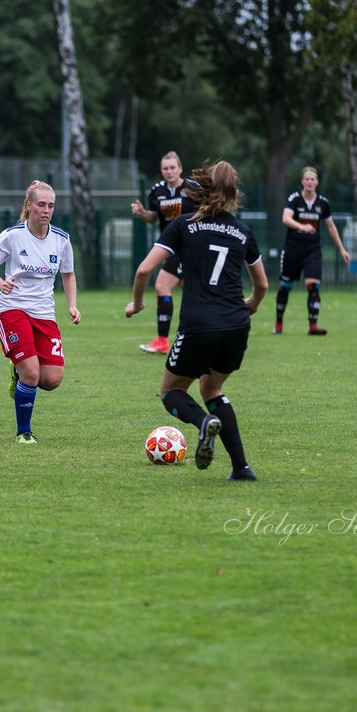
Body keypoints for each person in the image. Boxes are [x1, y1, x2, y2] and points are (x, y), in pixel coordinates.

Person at [126, 160, 268, 481]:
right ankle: (241, 468)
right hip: (236, 323)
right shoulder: (243, 231)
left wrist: (136, 304)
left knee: (170, 391)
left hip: (199, 323)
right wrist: (252, 306)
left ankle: (203, 423)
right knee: (212, 387)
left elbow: (144, 270)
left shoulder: (183, 225)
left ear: (202, 188)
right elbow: (262, 285)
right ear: (234, 193)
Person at [0, 180, 81, 444]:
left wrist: (72, 305)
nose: (46, 210)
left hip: (44, 314)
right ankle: (24, 432)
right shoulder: (12, 236)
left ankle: (18, 371)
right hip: (12, 310)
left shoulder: (61, 239)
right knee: (32, 373)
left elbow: (68, 275)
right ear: (29, 206)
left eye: (51, 205)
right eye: (41, 205)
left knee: (52, 379)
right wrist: (0, 283)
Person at [129, 151, 197, 353]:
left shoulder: (193, 188)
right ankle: (213, 330)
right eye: (165, 168)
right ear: (161, 170)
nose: (169, 171)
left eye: (172, 167)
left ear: (180, 168)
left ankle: (162, 341)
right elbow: (153, 218)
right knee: (193, 291)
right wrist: (143, 214)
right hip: (169, 246)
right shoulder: (157, 191)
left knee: (161, 286)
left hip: (188, 245)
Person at [274, 166, 351, 335]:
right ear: (302, 182)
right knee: (285, 286)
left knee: (313, 286)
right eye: (306, 179)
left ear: (317, 182)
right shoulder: (294, 199)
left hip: (312, 251)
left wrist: (342, 249)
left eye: (312, 179)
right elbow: (285, 218)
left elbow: (331, 227)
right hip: (293, 250)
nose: (309, 182)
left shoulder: (323, 203)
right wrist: (302, 226)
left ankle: (313, 326)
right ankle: (278, 324)